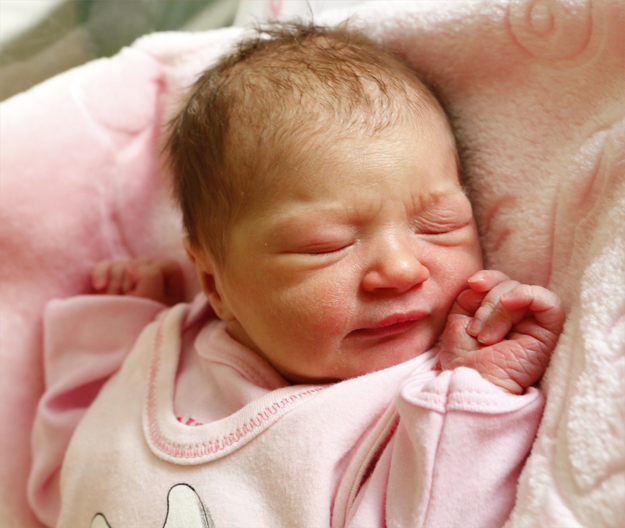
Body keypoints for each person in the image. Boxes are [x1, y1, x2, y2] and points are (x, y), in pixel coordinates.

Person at [28, 22, 565, 528]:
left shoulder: (422, 405)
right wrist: (119, 330)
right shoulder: (163, 353)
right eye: (326, 245)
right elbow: (64, 474)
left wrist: (479, 392)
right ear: (214, 284)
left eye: (438, 225)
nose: (401, 269)